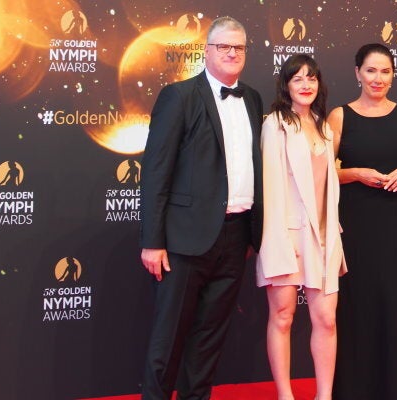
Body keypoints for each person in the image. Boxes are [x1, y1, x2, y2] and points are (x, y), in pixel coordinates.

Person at [139, 16, 263, 400]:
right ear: (206, 51)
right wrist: (152, 241)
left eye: (238, 47)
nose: (231, 53)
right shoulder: (179, 96)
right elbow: (157, 171)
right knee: (169, 337)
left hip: (236, 237)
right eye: (223, 46)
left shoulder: (254, 99)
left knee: (209, 340)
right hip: (184, 239)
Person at [327, 43, 397, 400]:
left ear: (394, 75)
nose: (378, 78)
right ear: (357, 73)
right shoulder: (340, 116)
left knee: (394, 301)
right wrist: (355, 173)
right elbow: (325, 173)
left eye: (385, 71)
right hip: (355, 223)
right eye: (371, 70)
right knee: (356, 305)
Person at [256, 54, 347, 400]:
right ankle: (285, 395)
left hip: (324, 238)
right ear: (286, 86)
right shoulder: (276, 123)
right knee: (282, 315)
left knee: (326, 319)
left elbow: (327, 188)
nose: (306, 84)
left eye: (311, 78)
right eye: (298, 79)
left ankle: (324, 395)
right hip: (287, 234)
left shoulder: (325, 127)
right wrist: (277, 239)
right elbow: (271, 186)